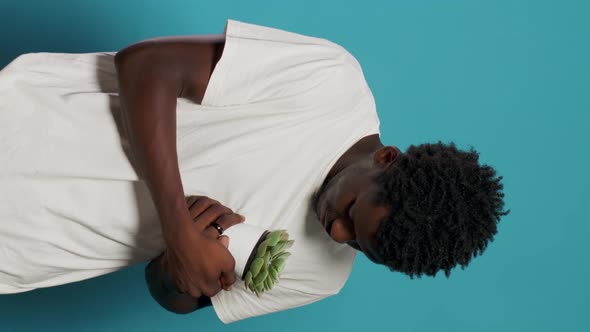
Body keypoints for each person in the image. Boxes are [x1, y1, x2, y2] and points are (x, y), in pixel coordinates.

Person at [0, 19, 509, 323]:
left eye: (356, 244)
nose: (335, 232)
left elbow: (169, 295)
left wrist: (183, 276)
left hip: (24, 252)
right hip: (24, 123)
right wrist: (179, 229)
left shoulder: (322, 279)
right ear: (386, 159)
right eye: (354, 214)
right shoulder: (331, 82)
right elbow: (146, 66)